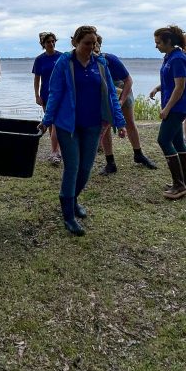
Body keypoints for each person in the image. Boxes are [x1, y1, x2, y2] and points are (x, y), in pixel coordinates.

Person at [41, 26, 126, 236]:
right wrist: (47, 120)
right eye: (87, 43)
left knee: (86, 169)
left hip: (93, 124)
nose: (92, 47)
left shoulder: (101, 63)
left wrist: (119, 120)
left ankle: (74, 199)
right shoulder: (65, 62)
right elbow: (55, 93)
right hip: (67, 125)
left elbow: (111, 96)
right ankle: (68, 215)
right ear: (76, 43)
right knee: (73, 167)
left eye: (94, 42)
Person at [95, 35, 156, 174]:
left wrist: (121, 100)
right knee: (106, 126)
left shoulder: (110, 59)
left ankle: (138, 154)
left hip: (121, 89)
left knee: (130, 122)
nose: (93, 47)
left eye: (96, 44)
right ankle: (110, 162)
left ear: (99, 45)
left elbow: (128, 80)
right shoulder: (87, 61)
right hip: (102, 93)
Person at [149, 25, 186, 200]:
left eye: (158, 42)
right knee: (177, 142)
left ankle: (179, 185)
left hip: (177, 107)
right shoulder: (168, 57)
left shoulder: (177, 59)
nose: (156, 46)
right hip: (174, 105)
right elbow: (171, 81)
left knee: (163, 140)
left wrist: (166, 109)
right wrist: (158, 88)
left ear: (168, 41)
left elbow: (180, 87)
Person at [32, 31, 62, 164]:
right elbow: (37, 79)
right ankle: (55, 150)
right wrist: (37, 95)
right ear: (43, 44)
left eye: (53, 41)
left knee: (57, 122)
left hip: (61, 94)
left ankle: (56, 151)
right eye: (48, 42)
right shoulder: (39, 59)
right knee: (50, 123)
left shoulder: (62, 57)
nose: (51, 44)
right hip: (46, 94)